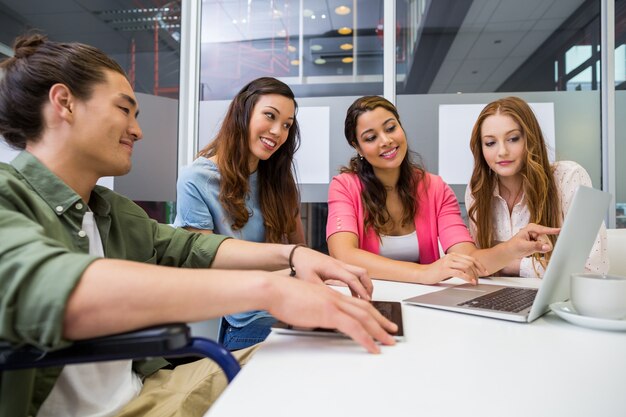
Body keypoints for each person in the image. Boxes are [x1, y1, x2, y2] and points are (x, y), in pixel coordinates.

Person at [0, 34, 397, 417]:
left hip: (150, 388)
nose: (137, 130)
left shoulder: (112, 210)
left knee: (327, 363)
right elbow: (46, 286)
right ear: (64, 103)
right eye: (124, 110)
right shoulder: (7, 194)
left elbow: (191, 247)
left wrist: (294, 253)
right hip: (130, 402)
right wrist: (273, 287)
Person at [326, 95, 559, 284]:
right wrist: (424, 273)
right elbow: (344, 255)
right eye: (370, 137)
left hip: (423, 301)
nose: (385, 140)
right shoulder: (344, 186)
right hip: (366, 298)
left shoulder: (435, 188)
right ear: (357, 146)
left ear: (401, 128)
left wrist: (511, 249)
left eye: (391, 128)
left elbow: (470, 258)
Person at [174, 77, 304, 350]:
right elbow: (206, 272)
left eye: (286, 125)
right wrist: (293, 273)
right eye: (270, 116)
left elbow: (299, 251)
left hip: (288, 303)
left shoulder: (277, 179)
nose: (278, 132)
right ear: (243, 113)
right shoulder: (196, 179)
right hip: (242, 320)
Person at [465, 96, 609, 277]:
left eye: (513, 139)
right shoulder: (477, 190)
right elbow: (475, 264)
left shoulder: (568, 177)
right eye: (490, 143)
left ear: (530, 139)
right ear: (481, 148)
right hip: (495, 295)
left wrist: (509, 264)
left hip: (556, 300)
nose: (502, 151)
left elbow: (593, 268)